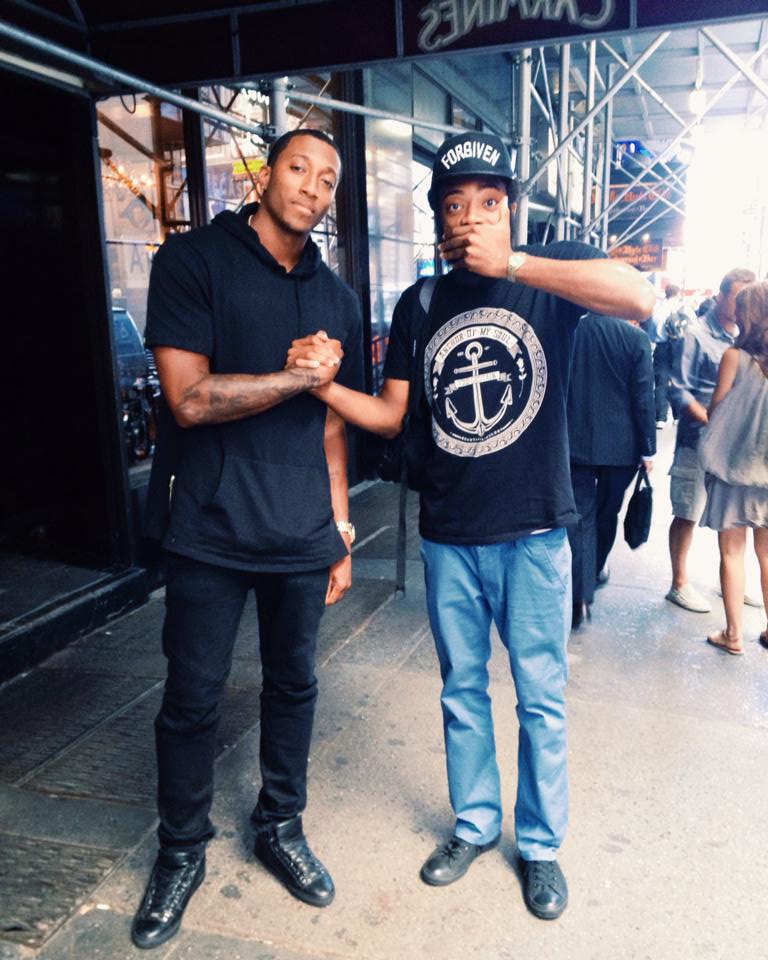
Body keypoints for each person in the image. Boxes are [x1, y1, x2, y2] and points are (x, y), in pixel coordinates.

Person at [287, 132, 654, 920]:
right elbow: (391, 415)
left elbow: (638, 298)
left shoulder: (548, 279)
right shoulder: (419, 305)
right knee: (461, 690)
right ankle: (475, 824)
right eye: (456, 205)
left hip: (535, 533)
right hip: (449, 534)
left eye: (489, 202)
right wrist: (318, 388)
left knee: (540, 697)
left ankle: (542, 846)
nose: (473, 217)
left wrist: (514, 264)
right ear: (439, 220)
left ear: (510, 210)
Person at [130, 129, 363, 951]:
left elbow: (331, 427)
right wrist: (298, 376)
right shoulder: (193, 261)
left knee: (294, 687)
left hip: (301, 530)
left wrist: (340, 527)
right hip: (210, 529)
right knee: (192, 699)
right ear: (267, 173)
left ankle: (280, 826)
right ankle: (180, 851)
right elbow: (189, 399)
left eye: (328, 179)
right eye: (299, 168)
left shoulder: (337, 297)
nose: (312, 187)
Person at [665, 268, 756, 614]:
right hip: (698, 441)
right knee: (688, 511)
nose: (744, 305)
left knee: (734, 518)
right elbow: (678, 389)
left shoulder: (746, 337)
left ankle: (733, 583)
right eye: (738, 297)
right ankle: (679, 583)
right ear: (721, 296)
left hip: (736, 447)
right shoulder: (697, 334)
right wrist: (711, 421)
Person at [567, 312, 656, 628]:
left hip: (575, 442)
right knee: (608, 514)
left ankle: (579, 597)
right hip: (621, 447)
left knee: (581, 519)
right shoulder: (635, 338)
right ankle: (595, 571)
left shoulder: (571, 330)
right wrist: (648, 448)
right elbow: (644, 397)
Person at [699, 281, 768, 654]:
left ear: (749, 314)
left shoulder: (734, 357)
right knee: (767, 553)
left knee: (732, 552)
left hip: (733, 468)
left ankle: (734, 634)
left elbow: (717, 411)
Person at [650, 284, 691, 429]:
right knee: (678, 380)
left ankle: (660, 418)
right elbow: (692, 328)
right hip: (679, 347)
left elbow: (652, 331)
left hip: (661, 347)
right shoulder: (684, 308)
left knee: (660, 382)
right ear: (678, 294)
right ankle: (678, 416)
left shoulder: (657, 309)